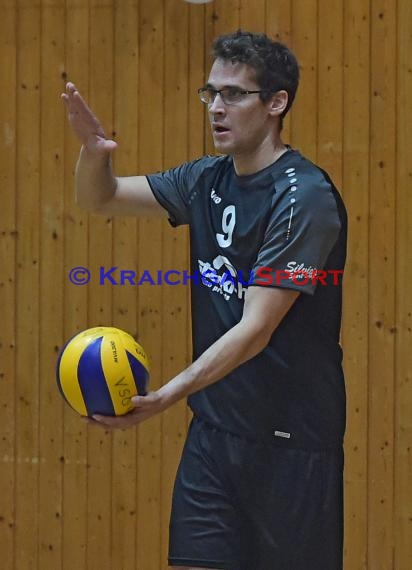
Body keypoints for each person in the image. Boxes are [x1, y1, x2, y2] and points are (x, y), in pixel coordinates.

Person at [62, 30, 347, 570]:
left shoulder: (304, 197)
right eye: (210, 93)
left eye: (234, 94)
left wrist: (166, 395)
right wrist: (93, 155)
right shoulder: (206, 179)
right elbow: (100, 197)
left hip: (290, 444)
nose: (216, 108)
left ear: (276, 103)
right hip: (213, 440)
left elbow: (256, 327)